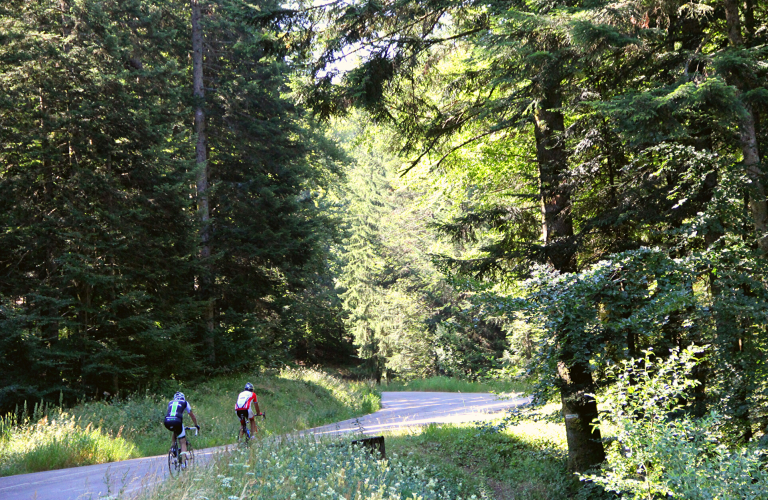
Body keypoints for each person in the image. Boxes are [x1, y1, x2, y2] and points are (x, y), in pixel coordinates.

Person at [164, 391, 199, 463]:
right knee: (183, 442)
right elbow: (192, 415)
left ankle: (173, 447)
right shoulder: (185, 402)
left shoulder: (170, 402)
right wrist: (196, 425)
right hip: (177, 421)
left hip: (167, 421)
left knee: (175, 430)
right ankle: (183, 463)